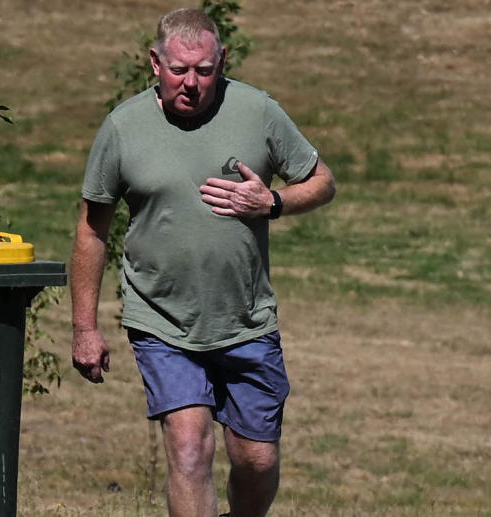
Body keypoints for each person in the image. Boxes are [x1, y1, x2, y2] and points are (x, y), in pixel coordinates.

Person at [70, 7, 335, 517]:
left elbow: (322, 181)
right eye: (178, 70)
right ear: (155, 63)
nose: (191, 83)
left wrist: (272, 203)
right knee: (190, 449)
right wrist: (85, 326)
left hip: (245, 319)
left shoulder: (257, 111)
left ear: (223, 61)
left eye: (205, 70)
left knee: (255, 459)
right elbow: (91, 227)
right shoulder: (123, 127)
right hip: (161, 320)